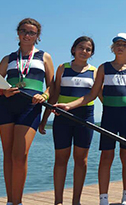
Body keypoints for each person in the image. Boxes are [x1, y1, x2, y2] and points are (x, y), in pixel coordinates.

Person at [55, 33, 126, 205]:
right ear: (112, 47)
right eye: (117, 44)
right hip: (109, 115)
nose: (120, 47)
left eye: (124, 45)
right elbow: (91, 95)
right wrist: (69, 106)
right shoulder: (103, 68)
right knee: (106, 157)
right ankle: (103, 199)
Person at [0, 18, 54, 205]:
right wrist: (3, 90)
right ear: (18, 33)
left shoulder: (44, 57)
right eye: (24, 31)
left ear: (37, 37)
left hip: (30, 107)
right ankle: (10, 201)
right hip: (6, 107)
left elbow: (52, 86)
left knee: (20, 155)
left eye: (32, 32)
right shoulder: (7, 59)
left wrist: (45, 96)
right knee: (8, 154)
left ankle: (17, 201)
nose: (27, 35)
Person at [38, 36, 97, 205]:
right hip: (62, 118)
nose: (84, 51)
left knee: (81, 160)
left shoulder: (95, 71)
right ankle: (58, 201)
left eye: (88, 49)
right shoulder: (62, 68)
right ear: (73, 49)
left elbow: (93, 96)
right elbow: (55, 94)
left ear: (91, 53)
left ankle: (76, 201)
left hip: (85, 118)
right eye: (81, 47)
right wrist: (44, 120)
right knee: (61, 159)